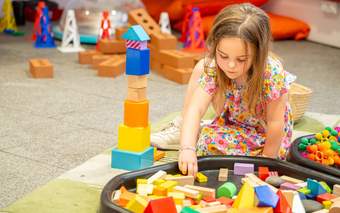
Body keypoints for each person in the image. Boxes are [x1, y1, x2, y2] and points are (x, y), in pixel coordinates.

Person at [153, 3, 296, 176]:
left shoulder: (271, 73)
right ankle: (189, 131)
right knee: (204, 144)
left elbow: (275, 123)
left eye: (242, 59)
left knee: (257, 162)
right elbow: (195, 108)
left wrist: (265, 162)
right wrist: (187, 148)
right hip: (234, 125)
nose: (230, 65)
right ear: (215, 47)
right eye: (223, 56)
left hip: (265, 135)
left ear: (258, 53)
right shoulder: (215, 68)